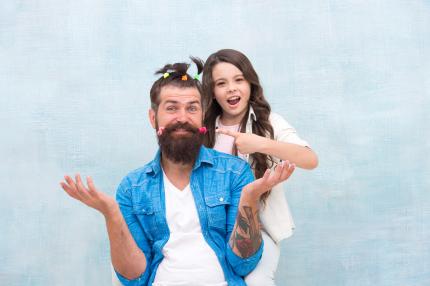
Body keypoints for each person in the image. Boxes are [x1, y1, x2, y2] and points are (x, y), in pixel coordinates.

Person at [60, 57, 296, 286]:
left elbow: (242, 264)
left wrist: (249, 199)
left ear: (202, 116)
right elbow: (134, 278)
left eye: (192, 108)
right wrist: (111, 214)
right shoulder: (132, 187)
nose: (182, 118)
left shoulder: (234, 173)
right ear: (153, 118)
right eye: (172, 108)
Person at [202, 49, 319, 286]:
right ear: (212, 92)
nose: (232, 88)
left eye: (239, 79)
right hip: (213, 229)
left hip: (259, 229)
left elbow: (309, 159)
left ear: (250, 83)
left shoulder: (269, 123)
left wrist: (261, 143)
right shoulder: (205, 130)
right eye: (221, 83)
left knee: (257, 280)